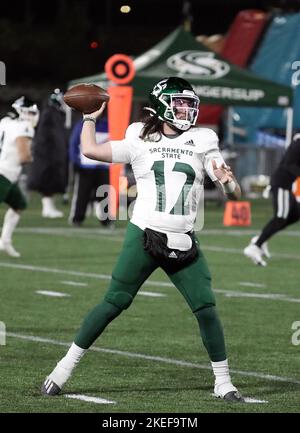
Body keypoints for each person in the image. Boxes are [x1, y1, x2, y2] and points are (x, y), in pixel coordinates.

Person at [41, 77, 244, 402]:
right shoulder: (139, 134)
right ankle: (62, 369)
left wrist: (228, 182)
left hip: (184, 239)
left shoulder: (204, 137)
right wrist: (90, 119)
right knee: (114, 302)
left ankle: (223, 382)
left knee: (206, 308)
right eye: (179, 103)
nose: (186, 109)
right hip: (144, 233)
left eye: (189, 103)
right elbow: (91, 150)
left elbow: (234, 195)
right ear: (162, 104)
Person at [244, 134, 300, 266]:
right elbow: (289, 164)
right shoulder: (298, 143)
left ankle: (261, 239)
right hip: (281, 183)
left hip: (287, 184)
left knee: (296, 214)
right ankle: (255, 246)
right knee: (281, 217)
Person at [0, 96, 39, 257]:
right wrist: (32, 157)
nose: (32, 116)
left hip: (7, 174)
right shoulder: (24, 127)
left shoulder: (6, 121)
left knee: (19, 204)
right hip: (4, 173)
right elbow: (24, 156)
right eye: (30, 112)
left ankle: (5, 241)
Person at [28, 89, 68, 218]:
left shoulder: (55, 113)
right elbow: (47, 136)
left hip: (52, 153)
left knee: (52, 182)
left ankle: (49, 207)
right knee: (47, 181)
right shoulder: (50, 113)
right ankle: (47, 208)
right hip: (48, 154)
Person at [68, 116, 112, 226]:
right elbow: (74, 144)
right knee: (82, 194)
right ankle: (77, 218)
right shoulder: (82, 124)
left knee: (105, 194)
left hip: (104, 166)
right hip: (86, 166)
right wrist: (76, 161)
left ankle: (106, 220)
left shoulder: (109, 125)